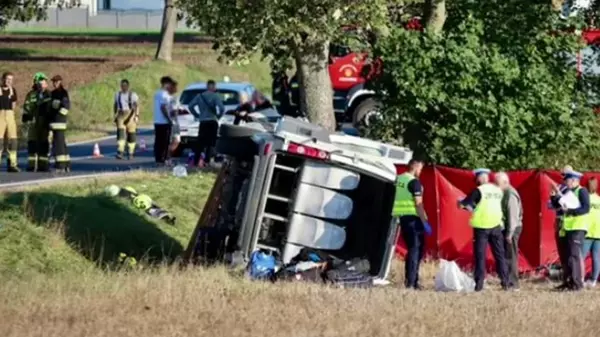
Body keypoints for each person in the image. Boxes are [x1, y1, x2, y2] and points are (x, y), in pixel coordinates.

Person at [458, 168, 509, 291]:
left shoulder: (478, 190)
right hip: (496, 226)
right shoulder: (498, 191)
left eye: (476, 178)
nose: (476, 181)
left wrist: (459, 203)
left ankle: (479, 284)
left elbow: (465, 204)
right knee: (500, 255)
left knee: (480, 256)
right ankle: (505, 283)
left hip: (482, 228)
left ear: (480, 178)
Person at [392, 159, 431, 290]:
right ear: (415, 167)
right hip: (414, 220)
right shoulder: (414, 182)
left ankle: (411, 280)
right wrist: (425, 222)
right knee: (416, 250)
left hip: (402, 218)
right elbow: (418, 204)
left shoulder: (399, 179)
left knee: (412, 250)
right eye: (420, 169)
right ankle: (411, 283)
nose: (420, 172)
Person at [559, 170, 590, 291]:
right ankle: (570, 282)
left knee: (575, 256)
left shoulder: (582, 191)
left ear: (574, 180)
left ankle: (577, 284)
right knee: (568, 256)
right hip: (569, 228)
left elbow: (585, 208)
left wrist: (571, 212)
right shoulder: (569, 192)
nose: (566, 183)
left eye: (567, 180)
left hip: (578, 227)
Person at [495, 172, 523, 290]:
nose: (496, 186)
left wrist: (509, 234)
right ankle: (506, 282)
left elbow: (513, 216)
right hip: (507, 227)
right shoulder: (504, 193)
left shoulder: (510, 194)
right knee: (506, 256)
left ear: (505, 182)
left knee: (511, 257)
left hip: (512, 228)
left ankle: (513, 284)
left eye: (498, 184)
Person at [187, 79, 225, 167]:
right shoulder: (215, 96)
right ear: (213, 87)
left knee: (200, 142)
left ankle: (196, 161)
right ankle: (207, 161)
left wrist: (197, 115)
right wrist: (218, 117)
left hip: (203, 121)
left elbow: (190, 106)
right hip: (212, 121)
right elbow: (222, 108)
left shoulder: (200, 96)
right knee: (211, 143)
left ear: (207, 86)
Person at [22, 72, 51, 172]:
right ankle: (31, 165)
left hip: (44, 123)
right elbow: (26, 107)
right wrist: (27, 116)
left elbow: (51, 108)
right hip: (33, 122)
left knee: (43, 144)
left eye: (43, 82)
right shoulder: (31, 95)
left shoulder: (49, 94)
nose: (42, 84)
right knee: (32, 143)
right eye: (40, 82)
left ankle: (43, 165)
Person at [550, 165, 573, 289]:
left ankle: (571, 280)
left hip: (568, 222)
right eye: (562, 175)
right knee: (562, 252)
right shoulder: (559, 187)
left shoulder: (571, 190)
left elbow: (566, 205)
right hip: (559, 221)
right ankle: (565, 279)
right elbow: (551, 205)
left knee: (569, 252)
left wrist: (557, 197)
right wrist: (554, 198)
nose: (563, 177)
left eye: (565, 175)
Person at [49, 75, 71, 172]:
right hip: (54, 122)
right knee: (60, 143)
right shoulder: (52, 93)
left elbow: (66, 107)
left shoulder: (63, 93)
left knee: (58, 144)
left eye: (56, 81)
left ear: (60, 82)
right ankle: (66, 164)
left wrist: (58, 115)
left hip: (60, 122)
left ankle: (60, 165)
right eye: (53, 81)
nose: (54, 83)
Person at [113, 79, 140, 160]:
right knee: (120, 133)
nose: (123, 87)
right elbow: (115, 105)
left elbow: (136, 106)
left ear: (128, 86)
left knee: (131, 135)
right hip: (121, 114)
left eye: (125, 85)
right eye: (122, 86)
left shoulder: (133, 95)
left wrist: (136, 116)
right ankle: (120, 151)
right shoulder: (117, 94)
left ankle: (131, 152)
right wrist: (115, 115)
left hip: (131, 115)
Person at [153, 76, 176, 165]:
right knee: (165, 141)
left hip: (157, 121)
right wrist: (169, 119)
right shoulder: (164, 94)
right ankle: (163, 159)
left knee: (158, 141)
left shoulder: (157, 93)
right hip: (164, 122)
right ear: (166, 84)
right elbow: (163, 107)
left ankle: (158, 158)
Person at [582, 177, 600, 287]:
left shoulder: (585, 199)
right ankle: (593, 280)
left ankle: (580, 278)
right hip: (598, 232)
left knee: (581, 257)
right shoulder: (599, 199)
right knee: (596, 257)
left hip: (587, 232)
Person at [0, 72, 20, 172]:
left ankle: (12, 164)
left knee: (13, 141)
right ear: (2, 79)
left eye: (11, 80)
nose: (9, 81)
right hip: (0, 116)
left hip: (10, 116)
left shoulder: (13, 91)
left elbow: (13, 105)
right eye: (7, 79)